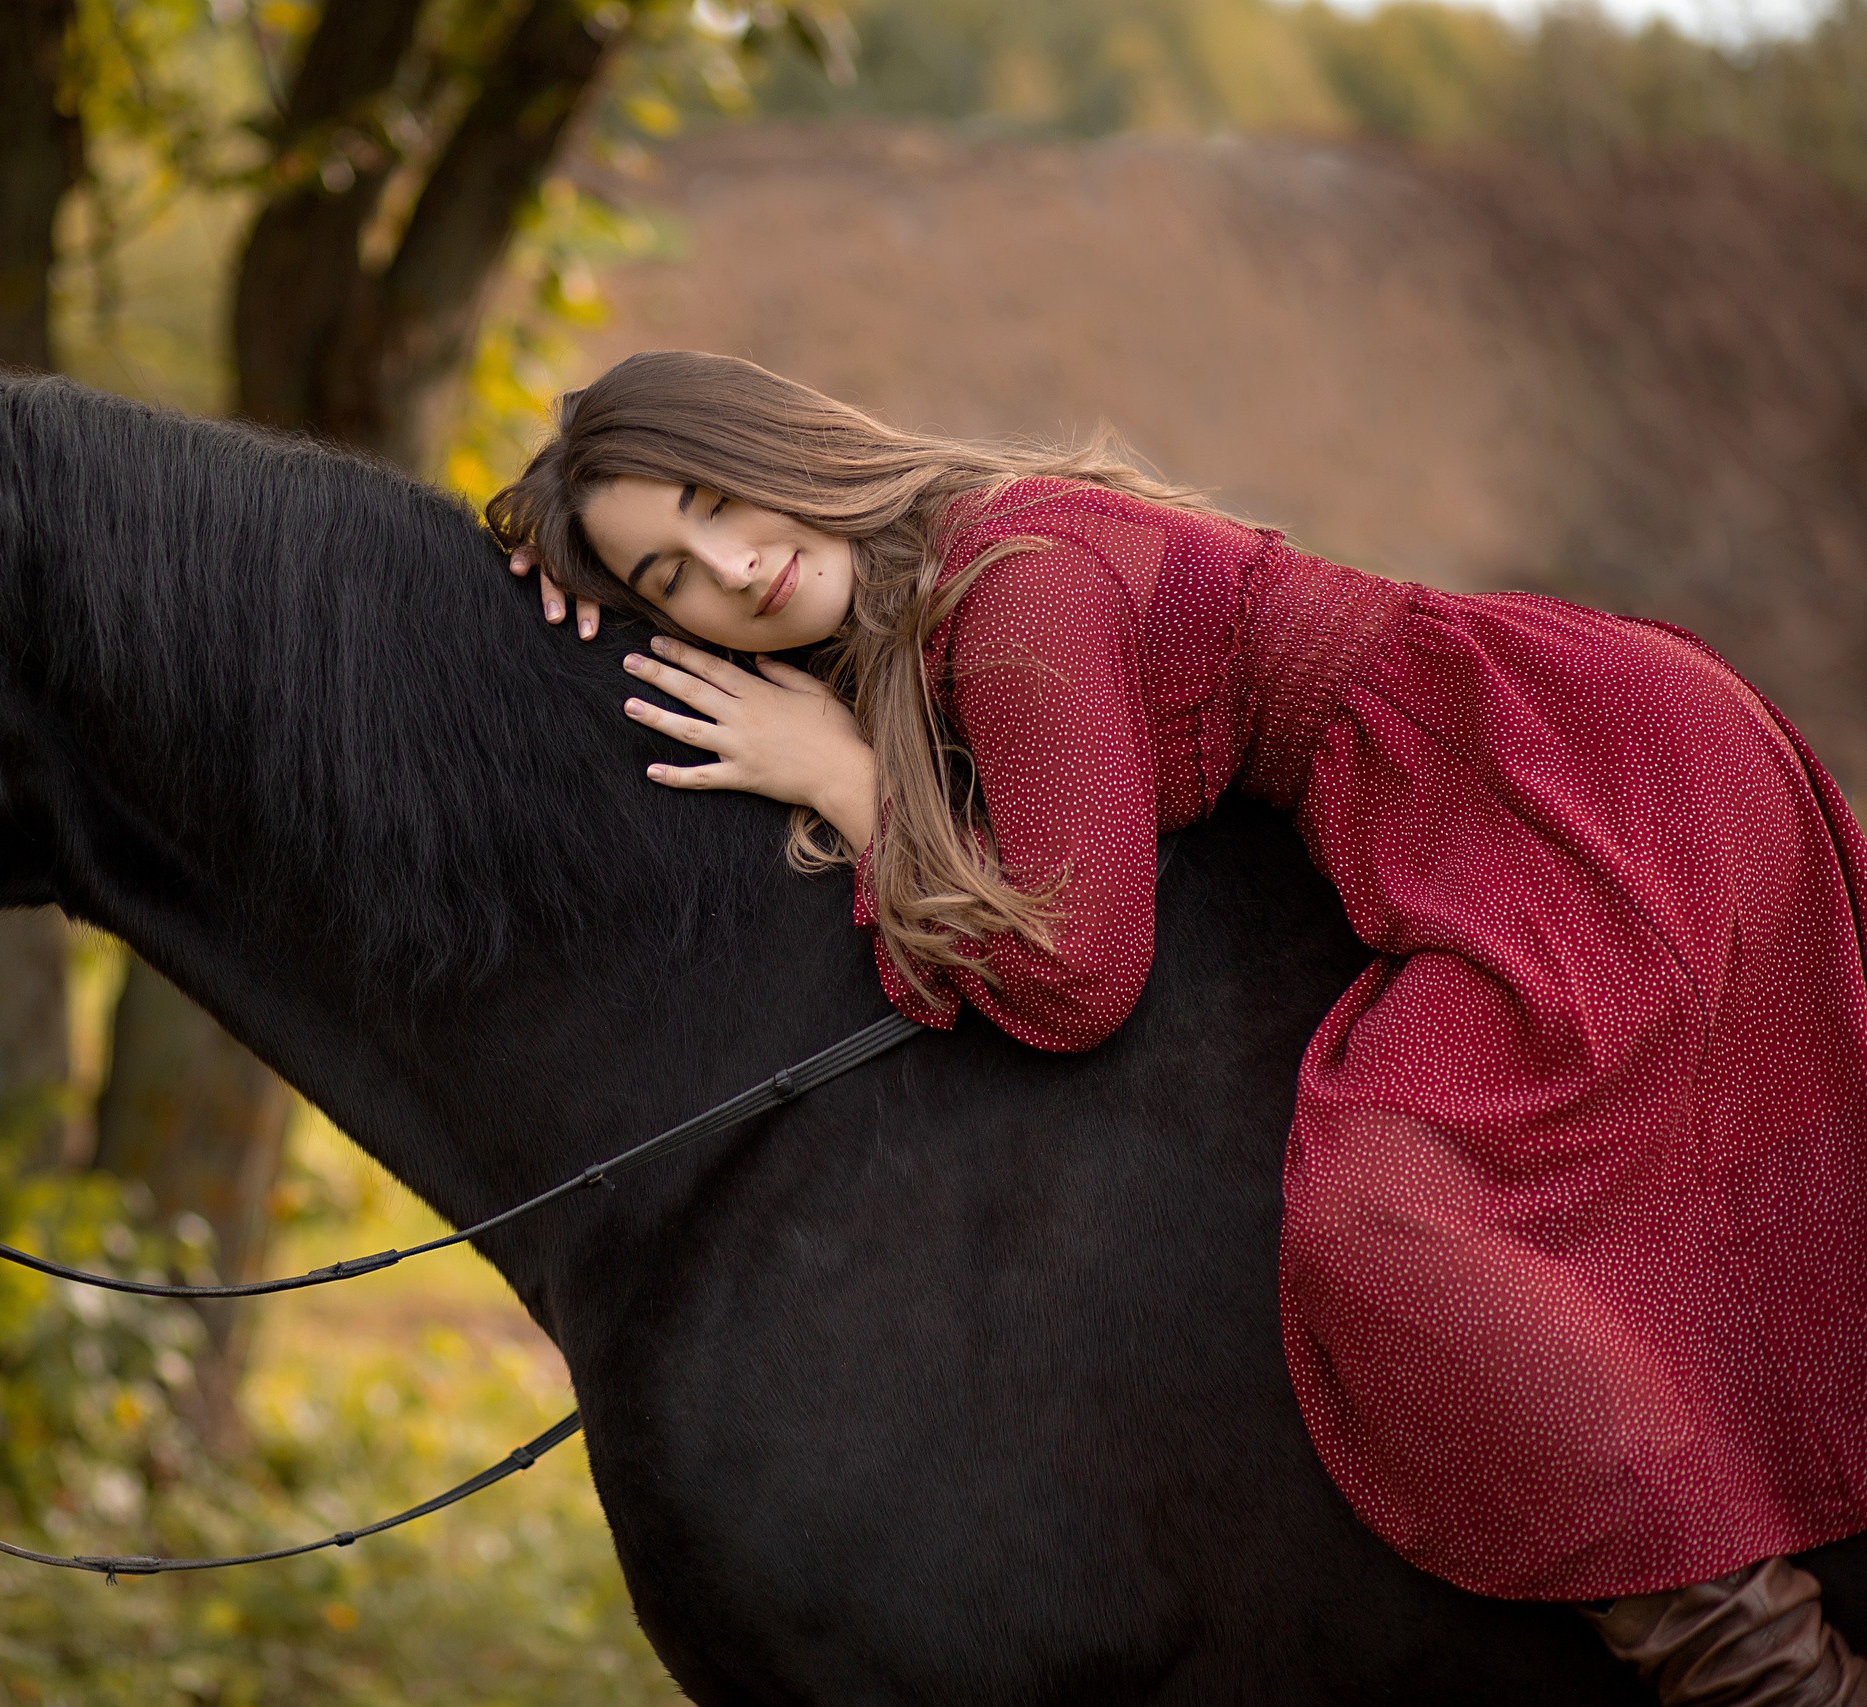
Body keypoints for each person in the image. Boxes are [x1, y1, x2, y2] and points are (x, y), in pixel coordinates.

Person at [486, 349, 1867, 1706]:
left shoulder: (1013, 591)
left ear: (776, 447)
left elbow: (1081, 979)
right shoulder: (932, 601)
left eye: (717, 502)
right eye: (669, 575)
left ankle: (1767, 1677)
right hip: (1512, 775)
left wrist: (856, 794)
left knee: (1390, 1225)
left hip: (1562, 787)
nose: (728, 569)